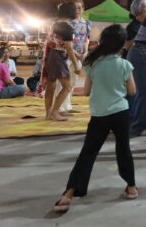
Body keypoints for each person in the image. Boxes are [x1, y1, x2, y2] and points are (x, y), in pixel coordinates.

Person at [52, 24, 138, 213]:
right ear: (122, 44)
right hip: (120, 112)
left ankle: (68, 194)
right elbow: (132, 91)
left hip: (99, 114)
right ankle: (131, 186)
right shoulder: (124, 64)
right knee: (123, 150)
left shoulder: (93, 64)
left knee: (88, 154)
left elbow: (86, 91)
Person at [39, 3, 83, 121]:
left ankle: (49, 113)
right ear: (70, 12)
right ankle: (54, 112)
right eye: (76, 9)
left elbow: (61, 44)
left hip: (51, 55)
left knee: (51, 86)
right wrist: (76, 65)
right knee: (67, 86)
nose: (78, 11)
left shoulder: (55, 24)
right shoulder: (67, 28)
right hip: (59, 57)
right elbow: (68, 48)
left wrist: (77, 56)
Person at [127, 0, 146, 136]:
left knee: (145, 92)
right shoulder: (133, 26)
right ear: (138, 10)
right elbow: (127, 46)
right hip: (138, 58)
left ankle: (140, 122)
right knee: (141, 92)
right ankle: (138, 124)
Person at [63, 0, 92, 113]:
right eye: (75, 8)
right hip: (67, 55)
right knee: (65, 82)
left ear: (83, 9)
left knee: (73, 82)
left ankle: (68, 106)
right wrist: (77, 54)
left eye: (79, 8)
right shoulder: (67, 23)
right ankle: (62, 106)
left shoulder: (87, 23)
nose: (77, 10)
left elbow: (86, 39)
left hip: (80, 55)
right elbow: (66, 44)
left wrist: (85, 52)